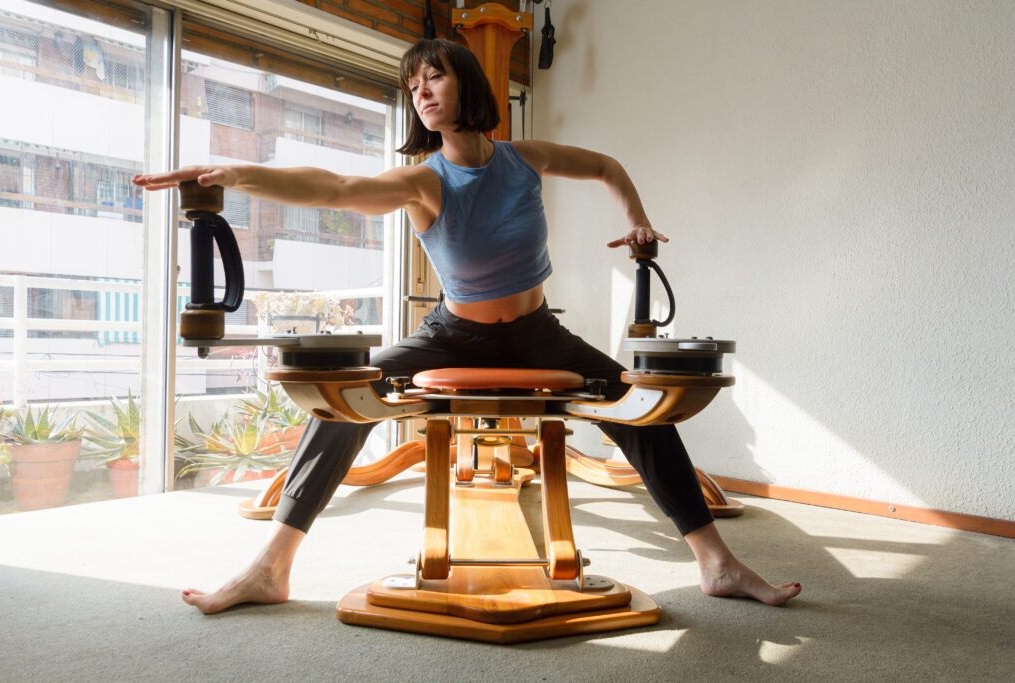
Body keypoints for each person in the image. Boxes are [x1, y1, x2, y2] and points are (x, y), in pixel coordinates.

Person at [134, 38, 801, 613]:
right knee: (343, 402)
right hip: (454, 332)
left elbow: (604, 167)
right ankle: (271, 566)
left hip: (540, 333)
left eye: (435, 77)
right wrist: (233, 174)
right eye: (412, 85)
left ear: (467, 85)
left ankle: (716, 562)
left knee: (641, 404)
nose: (422, 91)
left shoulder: (523, 158)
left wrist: (636, 222)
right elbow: (335, 189)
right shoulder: (425, 181)